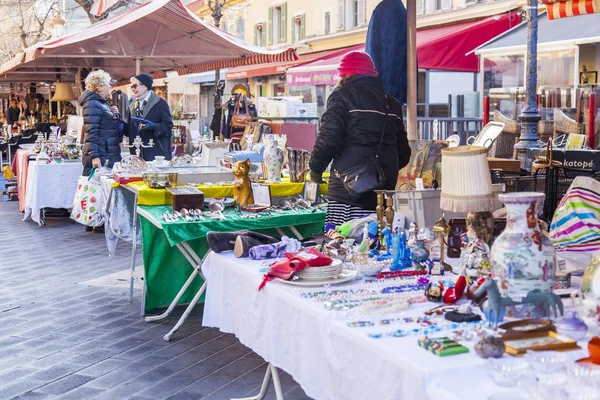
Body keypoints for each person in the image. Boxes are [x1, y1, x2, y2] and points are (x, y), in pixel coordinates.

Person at [309, 51, 411, 226]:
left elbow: (329, 138)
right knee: (377, 242)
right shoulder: (391, 103)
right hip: (383, 190)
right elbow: (403, 151)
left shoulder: (342, 95)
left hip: (348, 189)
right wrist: (382, 170)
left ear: (345, 74)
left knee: (343, 243)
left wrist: (316, 169)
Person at [79, 70, 122, 177]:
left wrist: (114, 114)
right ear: (99, 87)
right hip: (102, 154)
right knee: (97, 189)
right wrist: (95, 156)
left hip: (106, 152)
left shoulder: (100, 103)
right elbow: (91, 132)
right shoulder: (92, 103)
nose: (110, 87)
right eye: (108, 84)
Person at [127, 73, 173, 161]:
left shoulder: (160, 103)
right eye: (131, 86)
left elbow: (168, 126)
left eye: (135, 86)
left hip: (156, 154)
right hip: (137, 155)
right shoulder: (132, 106)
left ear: (145, 86)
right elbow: (129, 130)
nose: (132, 89)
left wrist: (154, 126)